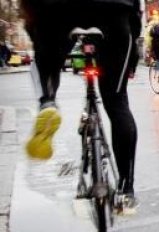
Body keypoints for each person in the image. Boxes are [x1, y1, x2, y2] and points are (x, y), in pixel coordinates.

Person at [21, 0, 141, 210]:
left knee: (45, 62)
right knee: (117, 103)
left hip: (59, 10)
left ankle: (48, 102)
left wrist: (38, 34)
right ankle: (126, 190)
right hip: (115, 12)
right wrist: (132, 33)